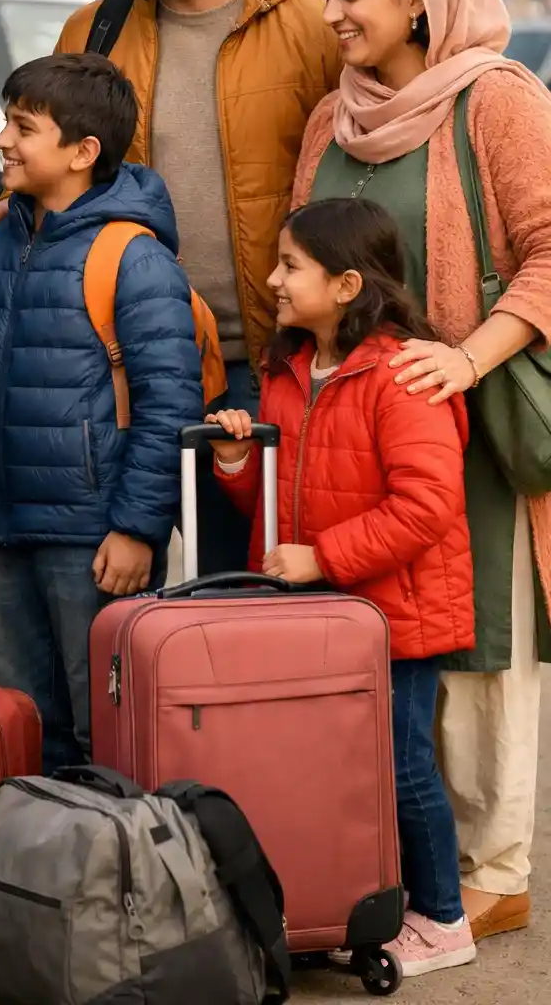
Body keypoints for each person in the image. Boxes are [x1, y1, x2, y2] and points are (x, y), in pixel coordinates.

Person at [0, 0, 341, 570]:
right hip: (115, 370)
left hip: (264, 370)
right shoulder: (94, 28)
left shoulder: (311, 28)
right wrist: (10, 211)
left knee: (243, 593)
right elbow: (63, 168)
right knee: (119, 589)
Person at [293, 0, 551, 943]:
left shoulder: (497, 99)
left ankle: (495, 869)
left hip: (473, 421)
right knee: (390, 650)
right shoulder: (332, 114)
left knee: (480, 644)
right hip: (360, 431)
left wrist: (465, 357)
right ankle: (412, 862)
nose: (331, 13)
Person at [0, 53, 204, 771]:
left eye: (23, 127)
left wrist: (137, 528)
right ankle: (39, 841)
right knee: (21, 722)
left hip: (92, 539)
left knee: (104, 726)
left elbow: (170, 404)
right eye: (6, 122)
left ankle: (111, 843)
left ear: (82, 152)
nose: (2, 140)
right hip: (3, 528)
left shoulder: (133, 257)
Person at [210, 197, 476, 977]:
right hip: (317, 614)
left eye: (291, 265)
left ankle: (444, 918)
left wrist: (322, 559)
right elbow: (278, 500)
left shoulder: (400, 374)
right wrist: (236, 463)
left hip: (393, 615)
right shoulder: (289, 368)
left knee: (400, 765)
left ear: (348, 283)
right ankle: (353, 900)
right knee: (329, 766)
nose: (273, 279)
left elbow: (426, 505)